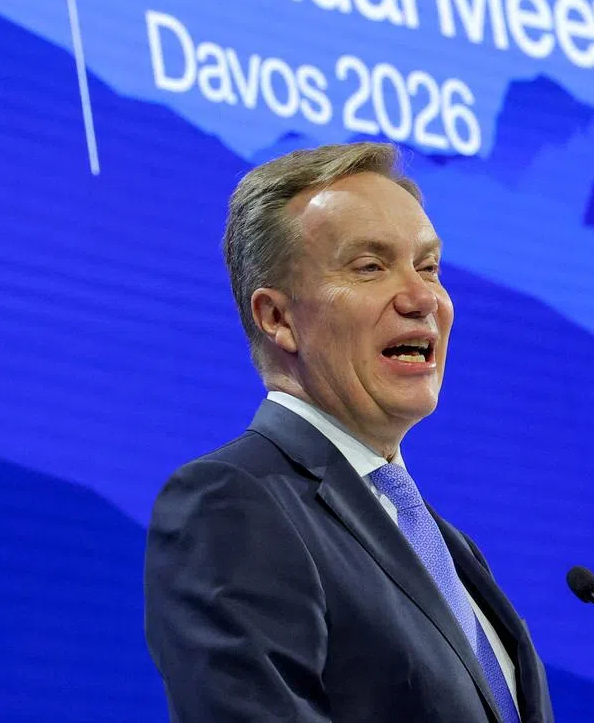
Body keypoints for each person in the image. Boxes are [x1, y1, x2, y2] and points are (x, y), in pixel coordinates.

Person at [144, 142, 554, 722]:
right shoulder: (234, 503)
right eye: (370, 267)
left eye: (429, 266)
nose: (422, 298)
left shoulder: (449, 548)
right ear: (277, 318)